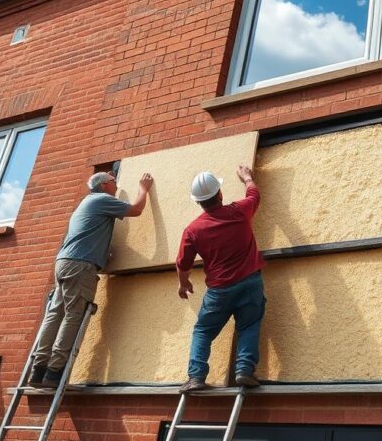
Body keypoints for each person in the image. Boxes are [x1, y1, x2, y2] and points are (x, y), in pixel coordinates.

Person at [28, 170, 154, 388]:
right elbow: (136, 209)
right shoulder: (102, 199)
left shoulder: (85, 203)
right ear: (105, 185)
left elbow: (85, 235)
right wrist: (143, 189)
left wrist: (101, 253)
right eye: (114, 181)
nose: (116, 184)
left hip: (65, 262)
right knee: (73, 315)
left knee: (55, 314)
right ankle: (54, 372)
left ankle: (38, 370)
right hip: (80, 266)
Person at [176, 165, 265, 393]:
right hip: (250, 283)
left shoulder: (193, 230)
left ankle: (196, 377)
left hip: (219, 291)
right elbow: (254, 195)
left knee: (203, 331)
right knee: (249, 325)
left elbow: (183, 263)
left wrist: (183, 283)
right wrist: (247, 178)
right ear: (220, 193)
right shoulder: (239, 211)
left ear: (198, 201)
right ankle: (244, 371)